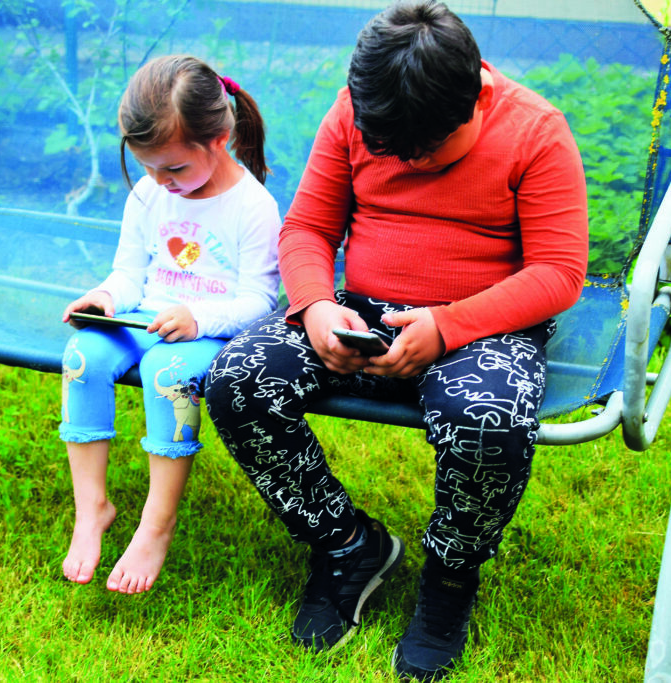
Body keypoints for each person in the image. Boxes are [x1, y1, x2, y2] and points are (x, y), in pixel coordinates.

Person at [206, 1, 588, 679]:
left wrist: (447, 326)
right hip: (362, 312)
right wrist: (317, 306)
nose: (411, 163)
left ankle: (450, 576)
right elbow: (308, 230)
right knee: (238, 378)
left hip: (482, 326)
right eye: (393, 152)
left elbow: (558, 272)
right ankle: (346, 544)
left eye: (426, 152)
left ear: (476, 100)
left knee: (488, 418)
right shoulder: (353, 112)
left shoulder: (536, 131)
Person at [59, 55, 280, 595]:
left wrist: (198, 318)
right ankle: (92, 509)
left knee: (167, 374)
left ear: (219, 139)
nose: (161, 182)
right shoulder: (149, 193)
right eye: (149, 167)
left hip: (206, 331)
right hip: (144, 317)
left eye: (174, 169)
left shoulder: (252, 206)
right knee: (82, 357)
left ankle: (156, 524)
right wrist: (105, 297)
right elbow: (128, 272)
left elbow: (261, 302)